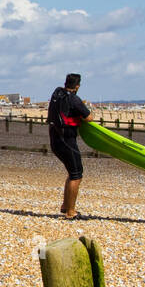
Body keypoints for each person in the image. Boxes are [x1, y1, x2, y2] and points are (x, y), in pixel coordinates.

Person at [47, 73, 92, 219]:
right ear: (77, 86)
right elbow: (89, 117)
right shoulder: (73, 99)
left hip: (55, 140)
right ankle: (71, 212)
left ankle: (65, 206)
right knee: (76, 174)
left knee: (71, 172)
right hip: (67, 141)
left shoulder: (57, 94)